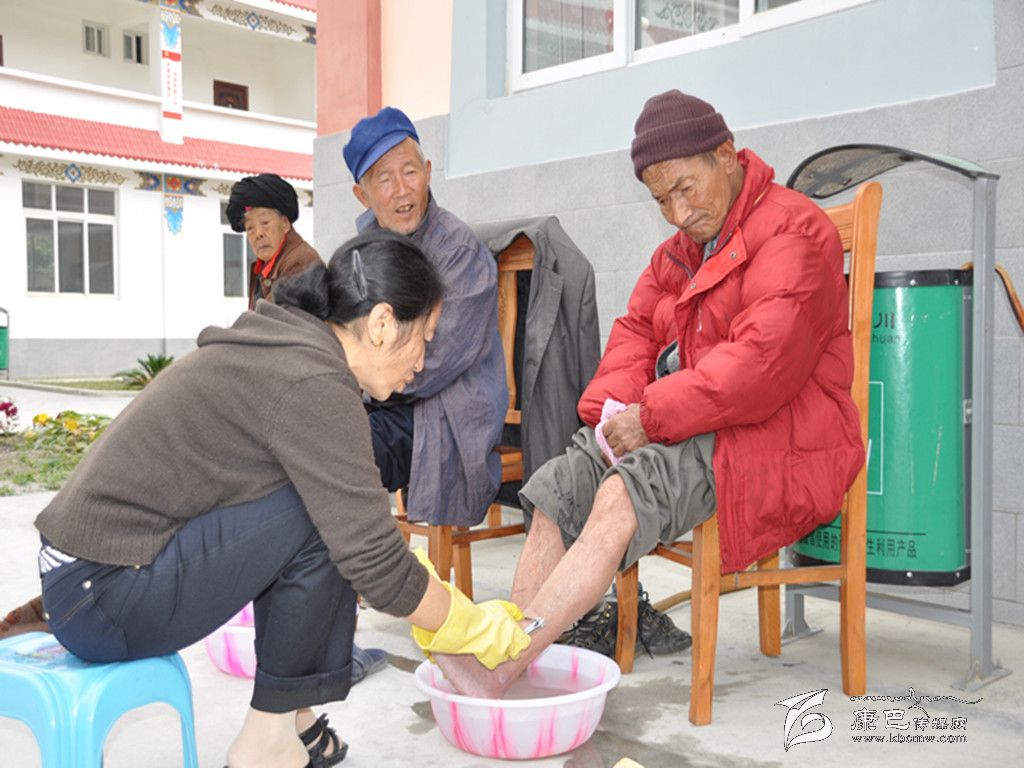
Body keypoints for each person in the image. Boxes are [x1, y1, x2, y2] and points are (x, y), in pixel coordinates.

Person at [31, 230, 531, 768]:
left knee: (327, 508)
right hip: (104, 595)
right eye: (425, 339)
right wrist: (468, 624)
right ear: (383, 324)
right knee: (330, 521)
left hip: (88, 577)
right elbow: (375, 564)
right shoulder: (312, 380)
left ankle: (293, 717)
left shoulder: (293, 346)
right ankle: (266, 746)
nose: (424, 360)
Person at [432, 90, 864, 697]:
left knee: (621, 492)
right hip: (692, 418)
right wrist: (612, 414)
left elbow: (759, 368)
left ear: (726, 156)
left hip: (775, 434)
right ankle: (512, 655)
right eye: (662, 200)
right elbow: (635, 334)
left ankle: (498, 671)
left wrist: (651, 416)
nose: (678, 213)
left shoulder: (797, 231)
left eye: (686, 189)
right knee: (559, 487)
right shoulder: (678, 255)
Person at [342, 107, 506, 526]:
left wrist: (356, 384)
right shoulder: (364, 252)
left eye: (410, 172)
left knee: (339, 453)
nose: (402, 190)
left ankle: (361, 563)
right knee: (306, 437)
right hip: (384, 396)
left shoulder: (458, 252)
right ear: (363, 195)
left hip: (445, 412)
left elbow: (429, 364)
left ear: (428, 172)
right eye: (384, 179)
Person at [224, 172, 322, 310]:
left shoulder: (300, 263)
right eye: (250, 228)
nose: (258, 234)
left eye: (265, 223)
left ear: (285, 223)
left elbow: (270, 319)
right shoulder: (264, 267)